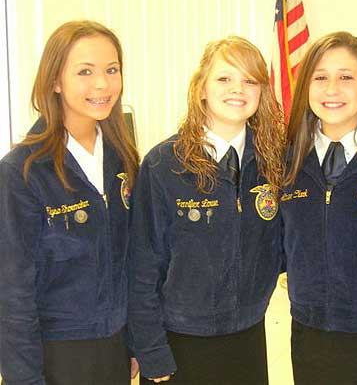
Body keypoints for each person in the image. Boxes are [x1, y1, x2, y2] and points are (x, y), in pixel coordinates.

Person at [128, 36, 284, 384]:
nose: (238, 89)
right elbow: (142, 266)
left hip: (248, 337)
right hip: (180, 342)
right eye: (224, 78)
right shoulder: (164, 165)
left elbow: (282, 248)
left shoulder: (273, 164)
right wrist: (150, 350)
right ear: (201, 88)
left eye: (250, 80)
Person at [0, 20, 140, 385]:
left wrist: (135, 342)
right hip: (56, 356)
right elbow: (12, 294)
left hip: (115, 347)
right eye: (85, 72)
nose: (102, 84)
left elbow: (132, 261)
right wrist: (24, 379)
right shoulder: (22, 173)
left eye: (112, 70)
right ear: (55, 81)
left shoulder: (123, 159)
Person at [281, 31, 357, 384]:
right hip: (309, 333)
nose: (331, 90)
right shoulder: (288, 161)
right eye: (320, 78)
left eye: (346, 77)